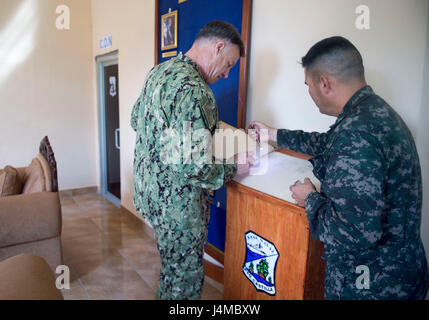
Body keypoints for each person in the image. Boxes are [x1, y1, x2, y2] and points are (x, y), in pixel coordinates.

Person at [248, 36, 429, 299]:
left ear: (324, 83)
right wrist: (273, 134)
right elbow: (327, 143)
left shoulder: (356, 135)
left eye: (307, 85)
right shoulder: (374, 114)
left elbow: (353, 233)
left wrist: (309, 198)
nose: (309, 93)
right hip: (400, 274)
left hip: (372, 285)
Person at [131, 20, 250, 300]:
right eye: (229, 63)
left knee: (171, 268)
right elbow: (193, 167)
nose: (226, 74)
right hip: (178, 209)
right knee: (184, 282)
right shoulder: (196, 90)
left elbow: (137, 120)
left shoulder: (159, 72)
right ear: (218, 47)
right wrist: (236, 167)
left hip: (149, 195)